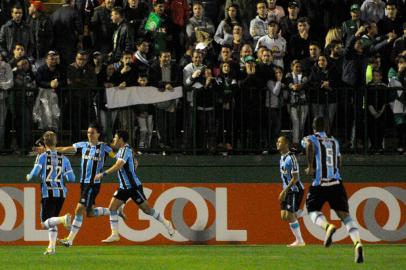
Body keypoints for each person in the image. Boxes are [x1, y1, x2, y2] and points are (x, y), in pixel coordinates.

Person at [302, 117, 364, 263]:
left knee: (312, 211)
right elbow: (340, 162)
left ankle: (327, 226)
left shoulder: (311, 138)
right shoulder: (335, 141)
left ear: (313, 127)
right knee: (346, 217)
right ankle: (357, 243)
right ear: (326, 127)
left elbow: (309, 144)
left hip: (320, 184)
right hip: (336, 183)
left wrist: (310, 166)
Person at [94, 130, 175, 242]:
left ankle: (166, 223)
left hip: (133, 187)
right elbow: (128, 158)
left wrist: (103, 174)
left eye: (115, 138)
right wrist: (101, 143)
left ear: (121, 139)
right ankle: (115, 234)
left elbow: (118, 165)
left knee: (147, 210)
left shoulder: (125, 150)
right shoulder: (123, 150)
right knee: (112, 208)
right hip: (124, 187)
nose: (114, 140)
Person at [56, 122, 123, 247]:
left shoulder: (104, 147)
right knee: (90, 213)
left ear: (98, 134)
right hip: (83, 183)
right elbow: (66, 149)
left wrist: (131, 158)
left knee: (78, 209)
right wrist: (50, 149)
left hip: (93, 184)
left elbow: (118, 157)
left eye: (92, 133)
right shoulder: (83, 145)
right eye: (88, 133)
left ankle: (69, 240)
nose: (90, 135)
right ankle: (114, 211)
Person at [26, 131, 75, 255]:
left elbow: (35, 174)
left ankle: (64, 219)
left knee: (44, 224)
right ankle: (51, 248)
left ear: (43, 143)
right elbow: (72, 178)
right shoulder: (65, 159)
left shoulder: (42, 156)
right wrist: (62, 174)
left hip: (48, 193)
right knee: (52, 220)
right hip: (61, 194)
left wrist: (28, 176)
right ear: (56, 142)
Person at [276, 135, 305, 247]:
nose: (277, 143)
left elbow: (295, 178)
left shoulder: (291, 158)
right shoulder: (282, 158)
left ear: (286, 144)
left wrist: (284, 191)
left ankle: (300, 241)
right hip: (287, 189)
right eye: (277, 142)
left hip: (294, 189)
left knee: (289, 214)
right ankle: (299, 212)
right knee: (284, 216)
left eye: (280, 142)